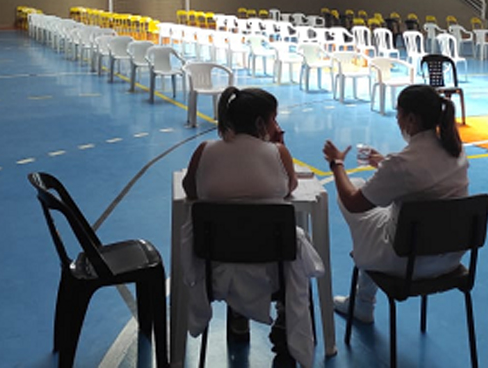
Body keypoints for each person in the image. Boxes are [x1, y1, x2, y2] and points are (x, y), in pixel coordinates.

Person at [182, 87, 323, 367]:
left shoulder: (204, 151)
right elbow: (289, 188)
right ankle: (284, 321)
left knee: (233, 237)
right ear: (262, 124)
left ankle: (237, 314)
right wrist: (279, 147)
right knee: (293, 245)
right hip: (272, 272)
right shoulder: (277, 153)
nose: (276, 125)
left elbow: (190, 189)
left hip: (216, 269)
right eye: (274, 119)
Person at [323, 84, 469, 324]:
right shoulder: (456, 152)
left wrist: (337, 164)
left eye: (399, 114)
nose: (398, 120)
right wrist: (384, 166)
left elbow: (353, 203)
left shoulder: (401, 164)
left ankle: (363, 300)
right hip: (450, 257)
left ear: (411, 118)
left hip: (407, 261)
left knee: (353, 189)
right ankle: (362, 296)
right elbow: (419, 179)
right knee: (391, 214)